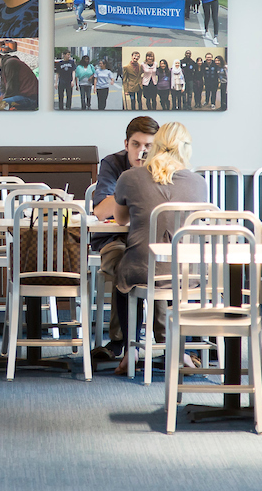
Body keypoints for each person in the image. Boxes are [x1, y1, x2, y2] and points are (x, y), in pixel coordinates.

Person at [112, 122, 208, 371]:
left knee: (121, 272)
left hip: (143, 269)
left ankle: (129, 351)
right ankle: (181, 350)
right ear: (185, 149)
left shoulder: (130, 177)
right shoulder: (199, 183)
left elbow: (120, 219)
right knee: (174, 277)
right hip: (188, 273)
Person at [89, 116, 160, 360]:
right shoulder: (112, 163)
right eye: (136, 145)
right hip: (113, 240)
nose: (142, 152)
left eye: (148, 146)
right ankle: (121, 342)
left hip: (149, 240)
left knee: (160, 266)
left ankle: (164, 341)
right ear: (126, 143)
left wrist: (124, 199)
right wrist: (134, 188)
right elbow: (100, 210)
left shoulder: (163, 165)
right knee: (124, 264)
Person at [0, 45, 38, 111]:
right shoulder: (5, 63)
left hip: (29, 98)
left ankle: (3, 107)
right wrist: (1, 98)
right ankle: (3, 107)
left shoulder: (10, 64)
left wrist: (1, 100)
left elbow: (12, 89)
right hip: (18, 92)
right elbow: (4, 85)